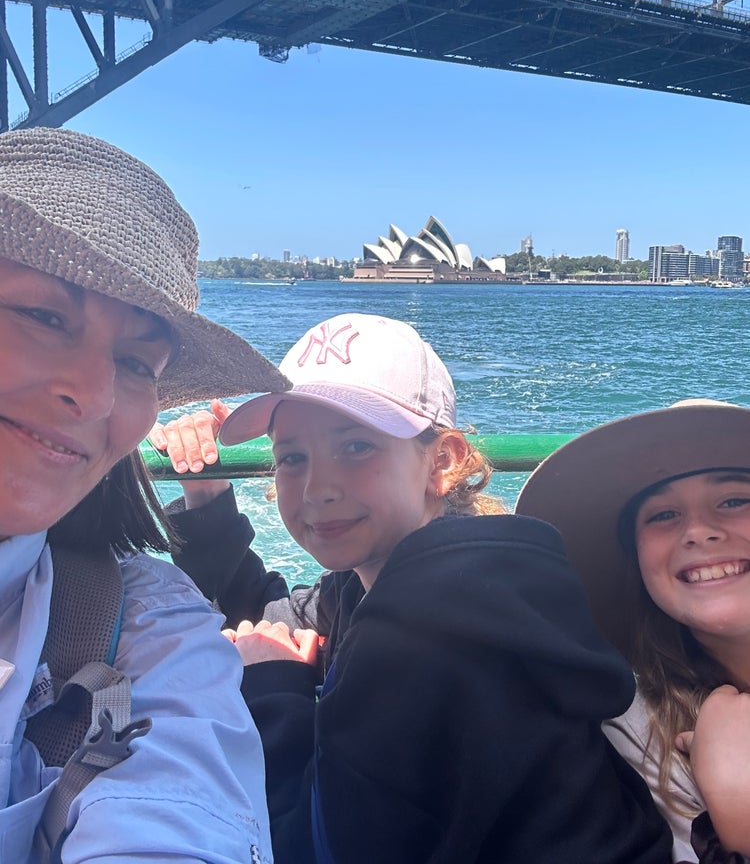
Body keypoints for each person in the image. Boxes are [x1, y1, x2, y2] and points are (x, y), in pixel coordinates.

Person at [153, 312, 673, 864]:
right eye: (292, 457)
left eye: (356, 447)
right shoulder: (410, 585)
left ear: (441, 462)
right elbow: (272, 622)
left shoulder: (431, 633)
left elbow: (313, 848)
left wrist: (276, 695)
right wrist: (207, 498)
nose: (318, 487)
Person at [0, 126, 288, 863]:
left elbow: (177, 814)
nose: (95, 395)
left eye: (136, 362)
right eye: (44, 315)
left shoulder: (143, 630)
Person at [516, 399, 750, 863]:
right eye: (663, 515)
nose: (699, 531)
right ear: (638, 563)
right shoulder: (632, 732)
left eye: (735, 500)